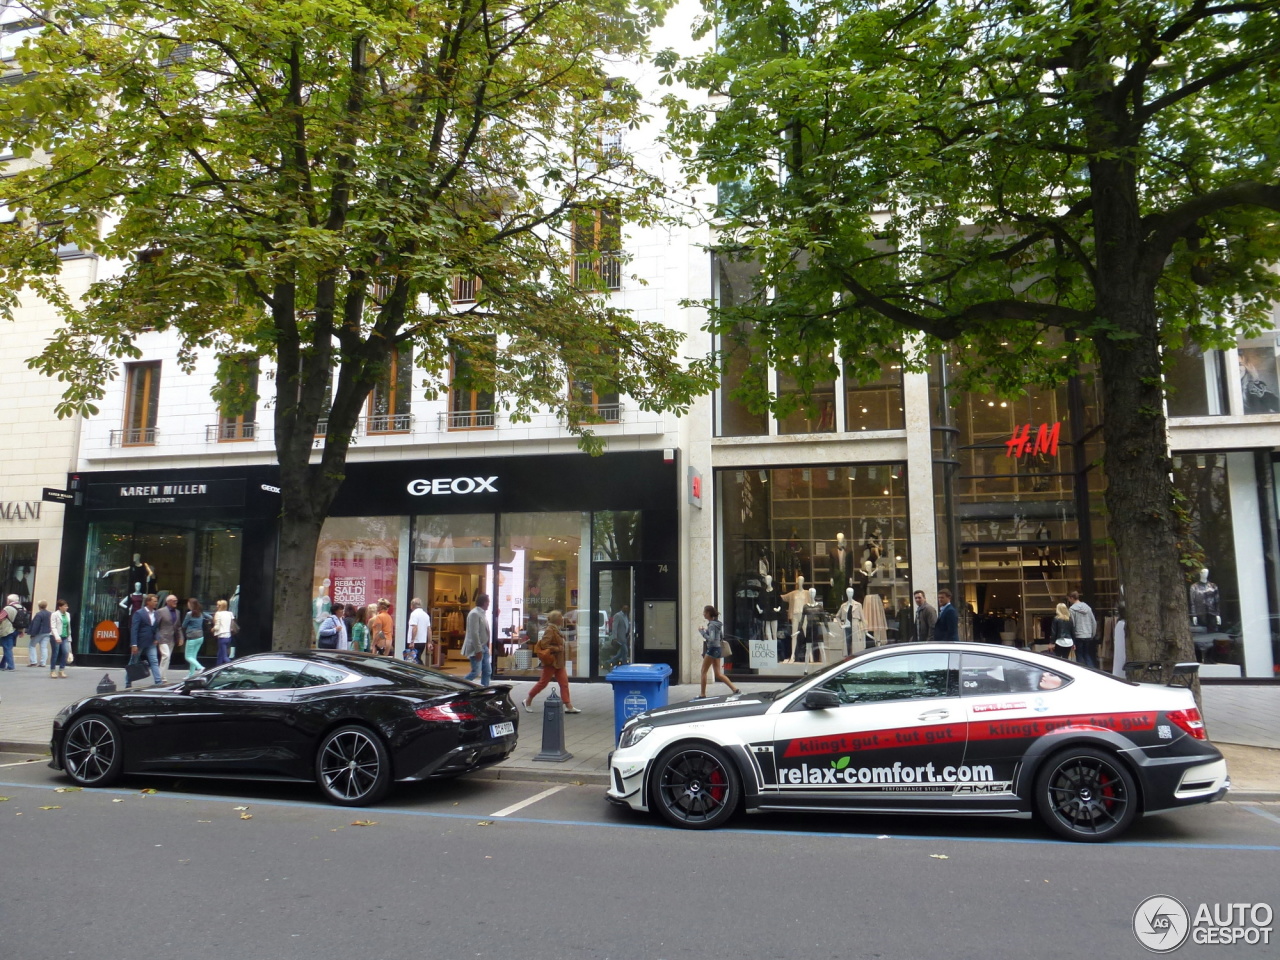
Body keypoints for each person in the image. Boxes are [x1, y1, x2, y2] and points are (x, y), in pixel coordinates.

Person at [521, 610, 579, 713]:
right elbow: (544, 645)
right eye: (561, 617)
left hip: (559, 663)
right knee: (543, 683)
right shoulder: (550, 630)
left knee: (564, 683)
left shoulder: (556, 629)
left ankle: (568, 706)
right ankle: (528, 700)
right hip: (551, 662)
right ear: (557, 620)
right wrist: (557, 649)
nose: (562, 619)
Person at [698, 605, 740, 697]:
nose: (703, 614)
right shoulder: (717, 624)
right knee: (718, 673)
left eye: (705, 612)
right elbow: (720, 636)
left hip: (712, 649)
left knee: (703, 671)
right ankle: (734, 689)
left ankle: (702, 694)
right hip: (718, 649)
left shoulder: (712, 625)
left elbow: (711, 639)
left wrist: (702, 632)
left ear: (708, 613)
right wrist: (707, 631)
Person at [126, 594, 162, 687]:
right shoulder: (139, 613)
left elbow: (157, 628)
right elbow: (134, 629)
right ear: (148, 602)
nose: (156, 603)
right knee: (133, 662)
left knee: (154, 661)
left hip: (151, 642)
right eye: (154, 601)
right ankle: (128, 682)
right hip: (139, 642)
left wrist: (156, 638)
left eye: (156, 601)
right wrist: (134, 644)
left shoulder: (156, 613)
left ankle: (158, 682)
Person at [462, 593, 492, 686]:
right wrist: (478, 650)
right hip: (477, 648)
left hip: (484, 647)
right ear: (484, 602)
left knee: (487, 671)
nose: (489, 603)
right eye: (488, 602)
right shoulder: (474, 613)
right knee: (476, 672)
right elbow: (474, 633)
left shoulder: (482, 613)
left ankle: (484, 689)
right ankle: (460, 685)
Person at [1068, 590, 1099, 668]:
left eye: (1069, 598)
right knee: (1087, 654)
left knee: (1079, 655)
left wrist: (1072, 636)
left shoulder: (1072, 609)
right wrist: (1092, 634)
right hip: (1088, 635)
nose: (1068, 600)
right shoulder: (1088, 608)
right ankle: (1092, 671)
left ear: (1072, 598)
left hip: (1078, 635)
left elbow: (1072, 624)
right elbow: (1094, 622)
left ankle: (1082, 671)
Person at [155, 594, 182, 676]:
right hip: (162, 637)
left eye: (176, 600)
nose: (176, 602)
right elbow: (156, 625)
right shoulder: (160, 611)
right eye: (174, 601)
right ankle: (160, 676)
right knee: (166, 656)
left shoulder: (177, 612)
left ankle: (162, 676)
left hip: (172, 638)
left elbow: (178, 626)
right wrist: (156, 637)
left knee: (168, 658)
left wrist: (181, 637)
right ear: (168, 602)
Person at [181, 598, 209, 676]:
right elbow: (210, 617)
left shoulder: (189, 614)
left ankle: (200, 667)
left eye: (188, 603)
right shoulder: (201, 613)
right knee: (193, 656)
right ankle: (191, 674)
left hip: (192, 637)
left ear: (190, 604)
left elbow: (184, 625)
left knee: (188, 656)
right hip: (200, 636)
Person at [49, 600, 72, 679]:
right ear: (60, 607)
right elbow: (53, 626)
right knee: (55, 653)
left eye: (67, 606)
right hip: (56, 636)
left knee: (65, 652)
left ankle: (61, 670)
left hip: (65, 636)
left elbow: (68, 627)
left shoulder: (68, 614)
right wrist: (57, 637)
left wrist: (69, 637)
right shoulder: (54, 614)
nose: (66, 608)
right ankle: (52, 670)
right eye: (65, 606)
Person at [27, 600, 52, 669]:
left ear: (39, 606)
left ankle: (33, 661)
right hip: (47, 632)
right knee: (44, 647)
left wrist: (32, 634)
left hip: (39, 632)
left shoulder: (39, 614)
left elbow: (36, 625)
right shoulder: (50, 613)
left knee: (32, 645)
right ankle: (43, 663)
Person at [406, 598, 431, 665]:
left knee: (413, 660)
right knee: (415, 658)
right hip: (422, 641)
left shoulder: (414, 614)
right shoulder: (426, 615)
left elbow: (414, 627)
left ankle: (421, 671)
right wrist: (429, 642)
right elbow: (429, 629)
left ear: (412, 605)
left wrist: (412, 641)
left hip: (415, 642)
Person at [212, 598, 234, 665]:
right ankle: (217, 670)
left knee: (224, 657)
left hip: (222, 637)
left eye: (218, 605)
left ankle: (234, 666)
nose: (217, 606)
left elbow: (217, 626)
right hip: (228, 636)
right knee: (220, 655)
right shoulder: (230, 613)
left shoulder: (218, 614)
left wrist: (212, 629)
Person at [0, 593, 17, 670]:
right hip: (16, 630)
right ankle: (2, 664)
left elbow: (1, 618)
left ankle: (11, 666)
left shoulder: (8, 608)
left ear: (9, 600)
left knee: (7, 648)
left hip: (8, 630)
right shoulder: (22, 608)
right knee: (8, 647)